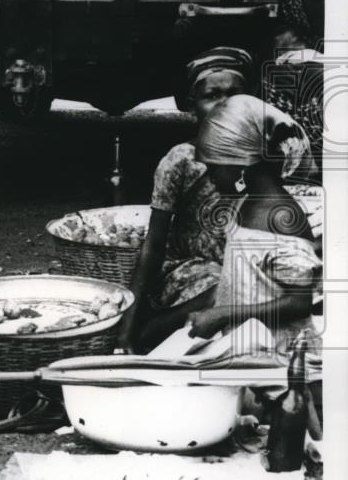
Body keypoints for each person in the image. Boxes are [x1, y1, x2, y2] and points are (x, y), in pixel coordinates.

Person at [116, 47, 254, 352]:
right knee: (228, 291)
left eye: (235, 94)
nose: (225, 103)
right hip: (193, 268)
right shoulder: (181, 160)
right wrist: (127, 324)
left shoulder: (267, 154)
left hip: (248, 264)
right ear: (193, 107)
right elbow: (154, 244)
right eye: (211, 95)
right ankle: (149, 334)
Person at [187, 94, 321, 356]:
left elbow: (299, 302)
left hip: (282, 355)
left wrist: (224, 314)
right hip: (246, 346)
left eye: (214, 168)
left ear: (241, 167)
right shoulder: (242, 205)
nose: (211, 177)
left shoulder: (282, 219)